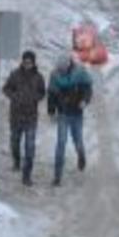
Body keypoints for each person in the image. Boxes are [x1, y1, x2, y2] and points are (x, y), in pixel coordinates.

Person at [2, 51, 46, 186]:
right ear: (22, 62)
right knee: (15, 142)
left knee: (30, 147)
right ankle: (16, 161)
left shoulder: (39, 77)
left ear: (33, 63)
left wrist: (35, 98)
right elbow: (6, 89)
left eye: (30, 62)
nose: (27, 64)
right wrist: (15, 97)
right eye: (25, 62)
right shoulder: (15, 74)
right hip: (16, 116)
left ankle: (27, 176)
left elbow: (42, 93)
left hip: (31, 118)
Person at [47, 55, 93, 186]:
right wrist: (51, 111)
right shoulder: (54, 75)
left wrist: (85, 100)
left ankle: (81, 155)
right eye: (59, 69)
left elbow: (88, 89)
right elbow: (51, 94)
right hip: (63, 113)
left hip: (77, 113)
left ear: (69, 65)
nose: (61, 71)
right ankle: (57, 176)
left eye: (63, 68)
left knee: (77, 139)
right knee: (61, 143)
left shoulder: (80, 72)